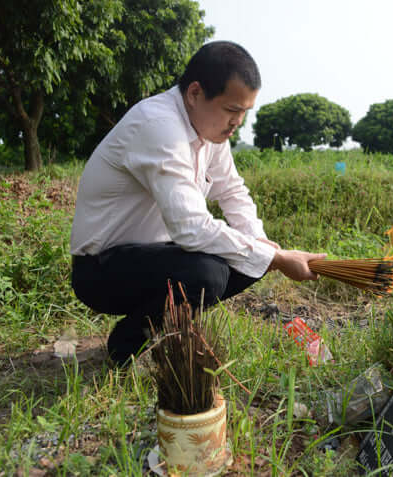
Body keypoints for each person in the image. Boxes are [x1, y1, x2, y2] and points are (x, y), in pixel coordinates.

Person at [70, 41, 325, 366]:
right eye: (232, 110)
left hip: (153, 255)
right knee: (209, 273)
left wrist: (262, 244)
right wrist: (274, 257)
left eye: (244, 112)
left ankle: (162, 324)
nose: (237, 122)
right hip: (100, 269)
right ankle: (126, 344)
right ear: (194, 93)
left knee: (249, 259)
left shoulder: (209, 130)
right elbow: (191, 228)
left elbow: (232, 190)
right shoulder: (158, 126)